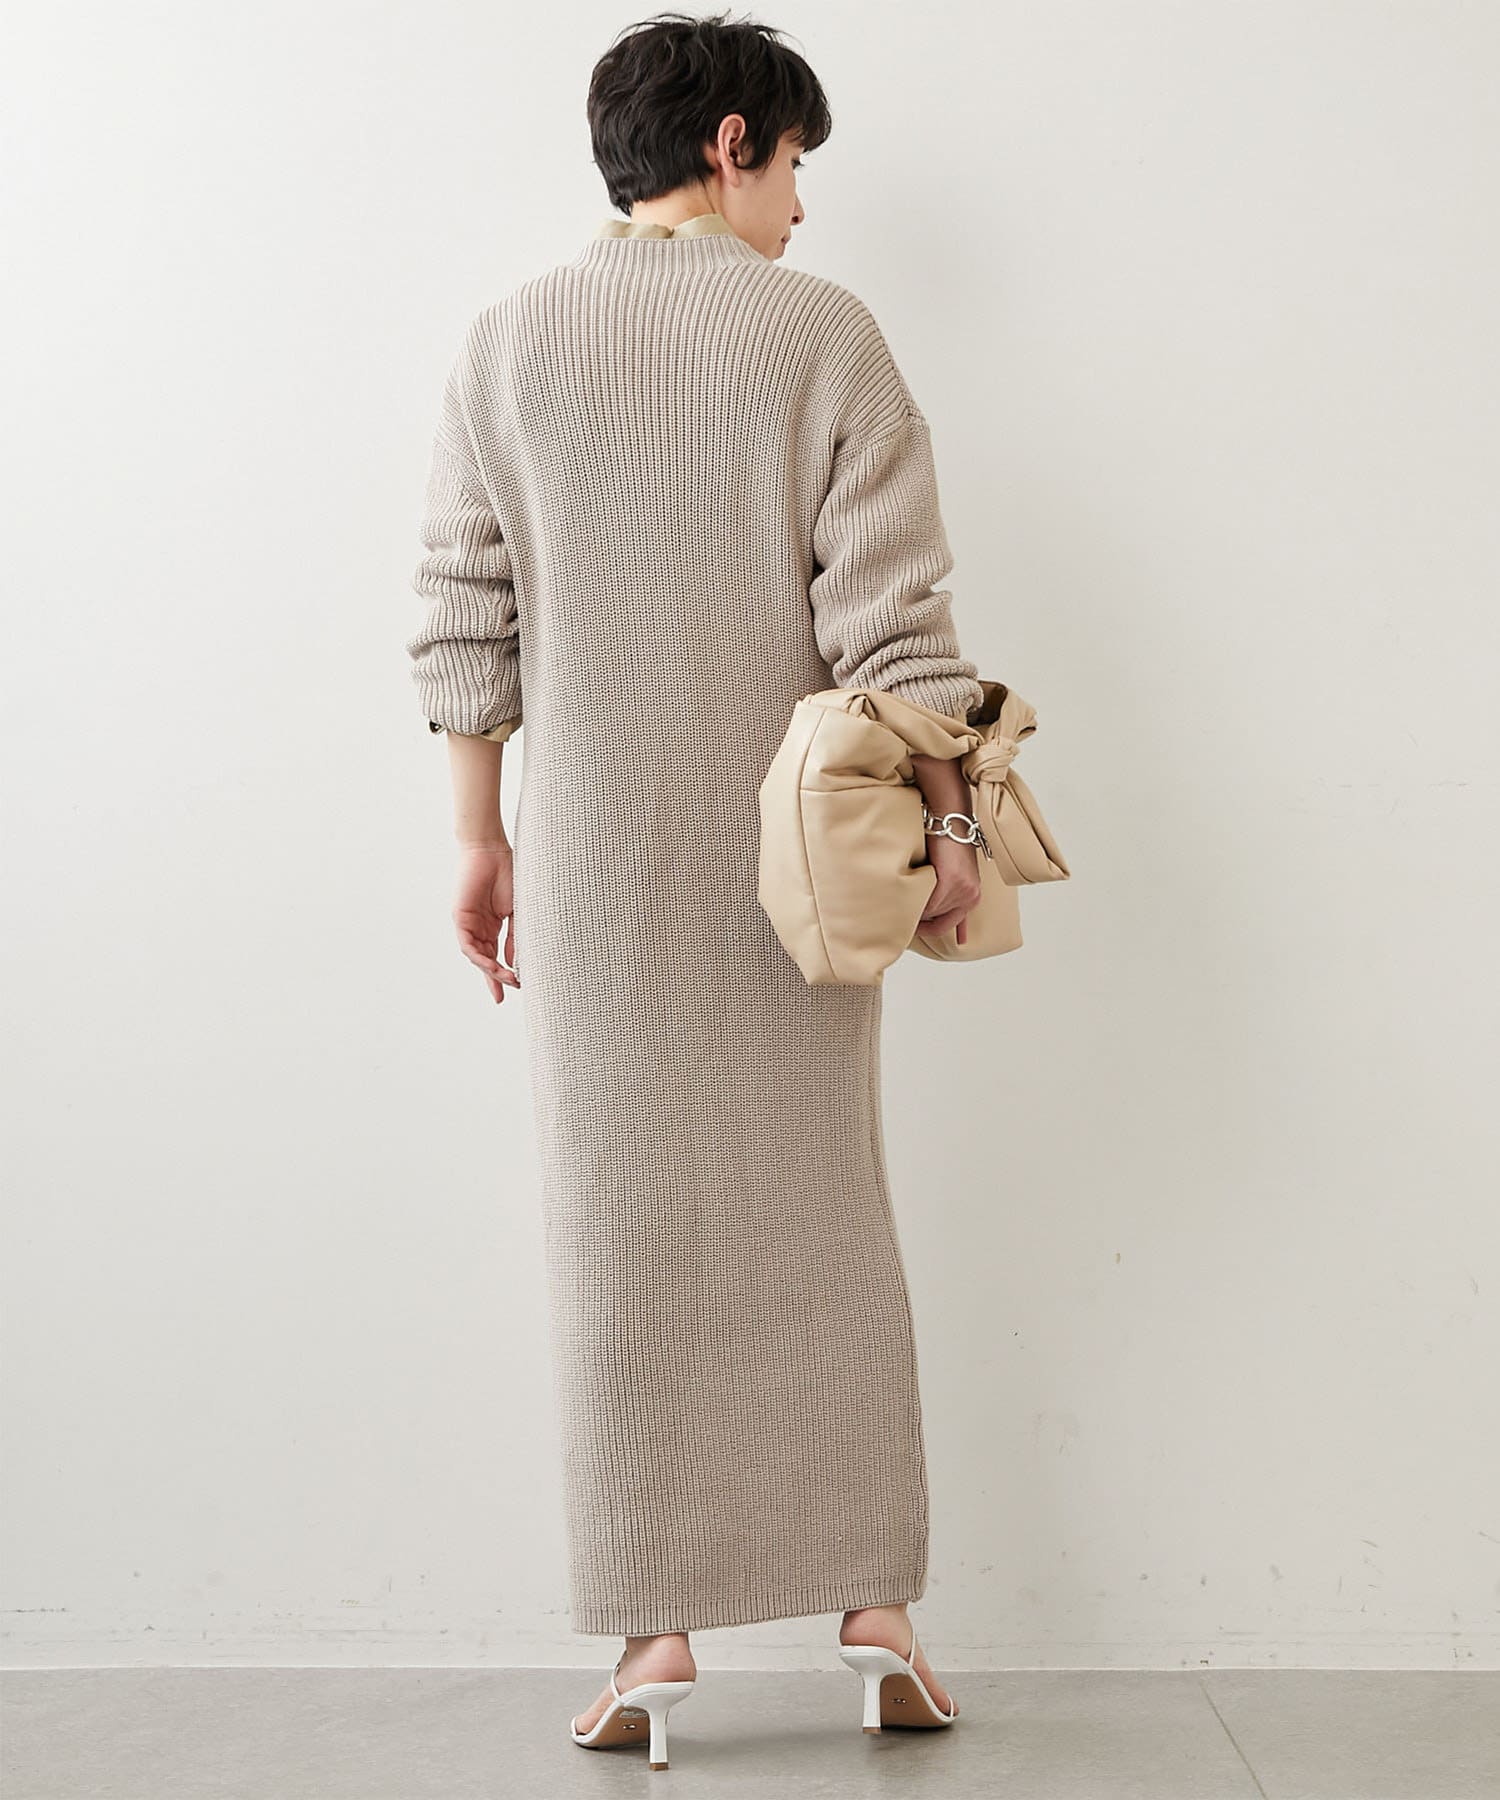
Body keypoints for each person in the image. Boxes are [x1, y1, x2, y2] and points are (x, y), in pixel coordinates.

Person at [407, 10, 980, 1760]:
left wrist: (481, 839)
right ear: (731, 144)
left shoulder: (506, 342)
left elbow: (464, 611)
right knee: (828, 1217)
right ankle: (875, 1613)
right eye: (793, 163)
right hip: (794, 868)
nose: (802, 205)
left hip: (597, 866)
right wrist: (952, 833)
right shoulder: (824, 335)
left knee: (618, 1233)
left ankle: (653, 1636)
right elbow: (893, 623)